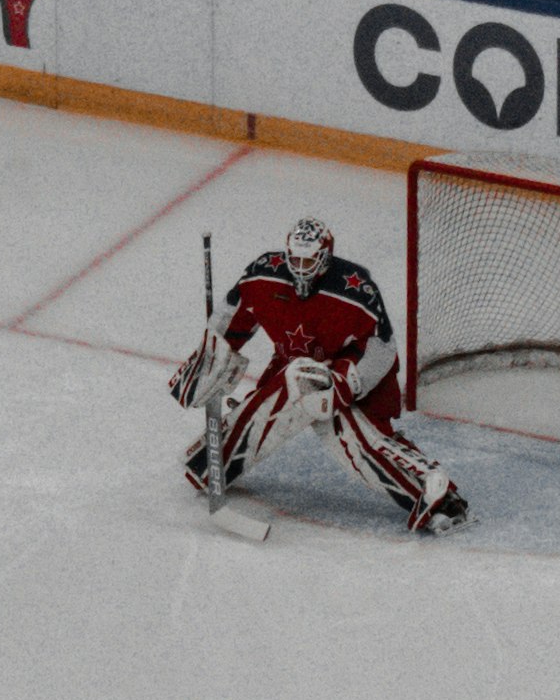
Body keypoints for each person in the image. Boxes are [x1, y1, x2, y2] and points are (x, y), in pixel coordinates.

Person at [169, 213, 470, 531]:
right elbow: (231, 317)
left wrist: (344, 383)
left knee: (350, 435)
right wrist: (210, 360)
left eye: (308, 260)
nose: (300, 268)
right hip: (294, 364)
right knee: (294, 384)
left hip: (359, 376)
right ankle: (213, 464)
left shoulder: (355, 287)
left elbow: (380, 349)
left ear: (325, 257)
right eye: (294, 260)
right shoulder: (263, 275)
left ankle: (436, 495)